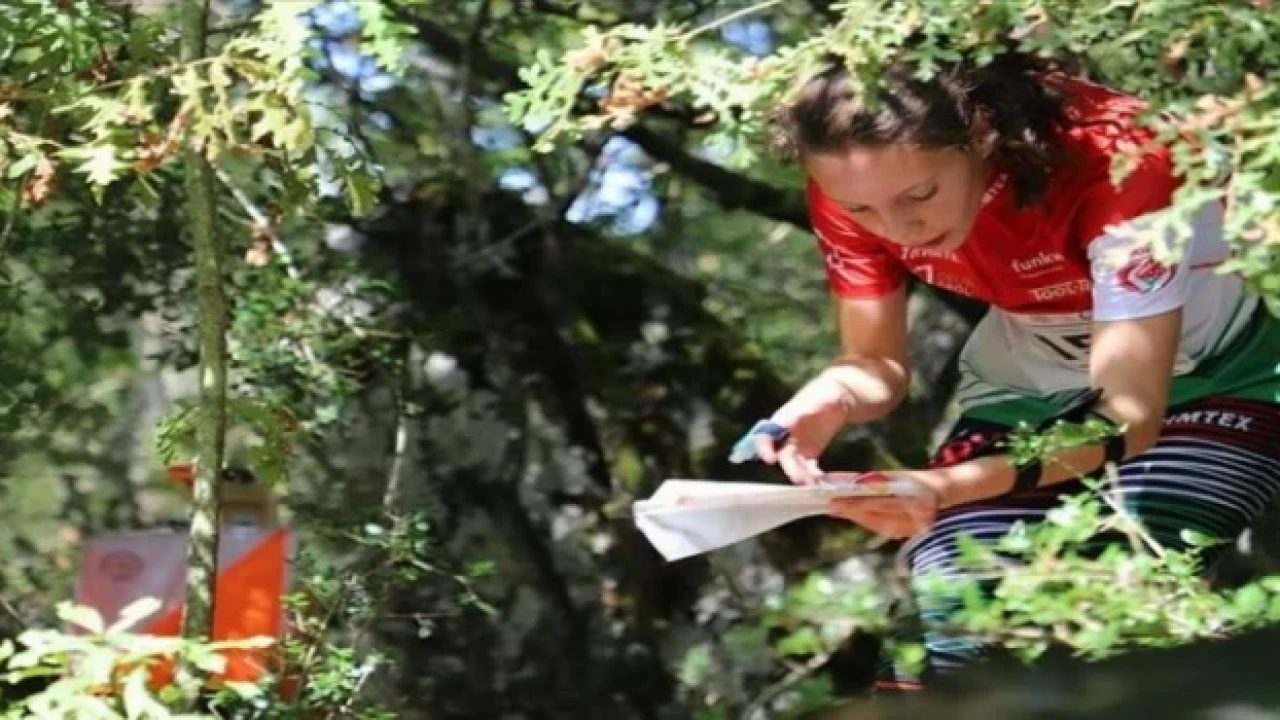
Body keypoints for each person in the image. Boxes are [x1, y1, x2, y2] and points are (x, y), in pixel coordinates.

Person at [732, 47, 1280, 689]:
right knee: (939, 629)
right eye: (862, 213)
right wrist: (828, 400)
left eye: (921, 194)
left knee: (1105, 588)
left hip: (1221, 375)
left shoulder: (1116, 162)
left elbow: (1125, 417)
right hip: (1028, 387)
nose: (898, 228)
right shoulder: (854, 184)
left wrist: (945, 487)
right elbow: (875, 361)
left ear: (982, 132)